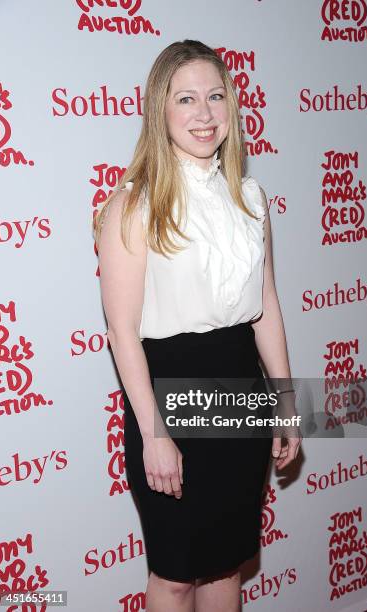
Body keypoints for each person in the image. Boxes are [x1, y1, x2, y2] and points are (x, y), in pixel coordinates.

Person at [94, 39, 302, 612]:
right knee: (176, 573)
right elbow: (122, 332)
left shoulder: (252, 199)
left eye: (215, 96)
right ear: (159, 110)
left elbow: (266, 307)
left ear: (232, 106)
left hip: (241, 390)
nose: (204, 114)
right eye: (186, 99)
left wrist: (283, 404)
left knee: (223, 567)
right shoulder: (132, 205)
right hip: (169, 395)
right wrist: (155, 433)